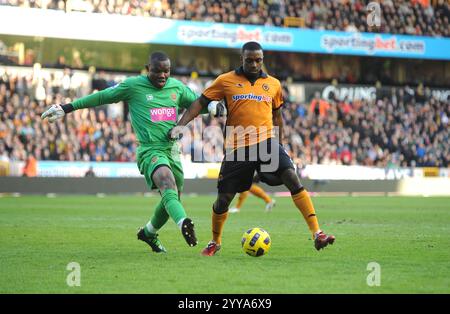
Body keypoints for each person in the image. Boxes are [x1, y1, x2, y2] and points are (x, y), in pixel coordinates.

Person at [171, 41, 335, 256]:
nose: (254, 64)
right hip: (238, 146)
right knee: (223, 200)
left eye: (258, 60)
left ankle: (317, 233)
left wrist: (280, 144)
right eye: (249, 60)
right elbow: (200, 103)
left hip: (267, 142)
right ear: (242, 59)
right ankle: (215, 242)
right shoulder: (225, 80)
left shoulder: (274, 84)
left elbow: (277, 116)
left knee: (291, 177)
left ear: (262, 59)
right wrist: (180, 126)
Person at [41, 51, 199, 253]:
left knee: (172, 197)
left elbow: (198, 104)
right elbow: (102, 97)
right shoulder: (133, 86)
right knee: (167, 182)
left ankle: (148, 233)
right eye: (157, 71)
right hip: (150, 150)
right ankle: (184, 223)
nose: (162, 75)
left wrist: (211, 106)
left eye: (166, 71)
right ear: (147, 68)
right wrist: (67, 107)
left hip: (173, 152)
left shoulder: (177, 87)